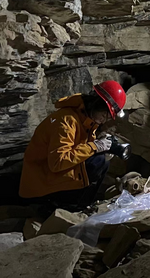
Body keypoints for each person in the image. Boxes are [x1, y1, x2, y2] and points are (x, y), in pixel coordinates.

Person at [18, 80, 127, 214]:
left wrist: (99, 146)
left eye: (108, 118)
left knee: (100, 161)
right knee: (97, 162)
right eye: (104, 115)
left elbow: (77, 150)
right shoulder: (66, 120)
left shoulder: (85, 121)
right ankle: (61, 206)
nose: (104, 120)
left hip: (51, 178)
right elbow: (58, 162)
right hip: (41, 187)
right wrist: (94, 147)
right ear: (95, 104)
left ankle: (81, 206)